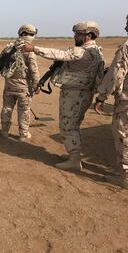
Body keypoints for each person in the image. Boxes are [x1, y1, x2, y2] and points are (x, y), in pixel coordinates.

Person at [20, 21, 104, 170]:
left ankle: (74, 160)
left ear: (88, 36)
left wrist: (34, 48)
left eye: (78, 34)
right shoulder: (97, 51)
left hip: (75, 94)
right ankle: (74, 154)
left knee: (68, 126)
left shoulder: (83, 51)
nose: (75, 37)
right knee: (74, 125)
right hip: (84, 93)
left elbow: (61, 54)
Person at [94, 15, 128, 188]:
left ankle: (125, 176)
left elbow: (115, 74)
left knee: (123, 136)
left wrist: (101, 97)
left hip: (126, 102)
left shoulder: (127, 47)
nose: (125, 27)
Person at [0, 24, 40, 142]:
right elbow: (34, 70)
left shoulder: (9, 48)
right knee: (24, 111)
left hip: (9, 85)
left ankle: (4, 131)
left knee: (7, 108)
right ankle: (23, 134)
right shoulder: (29, 50)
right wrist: (37, 85)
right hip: (24, 88)